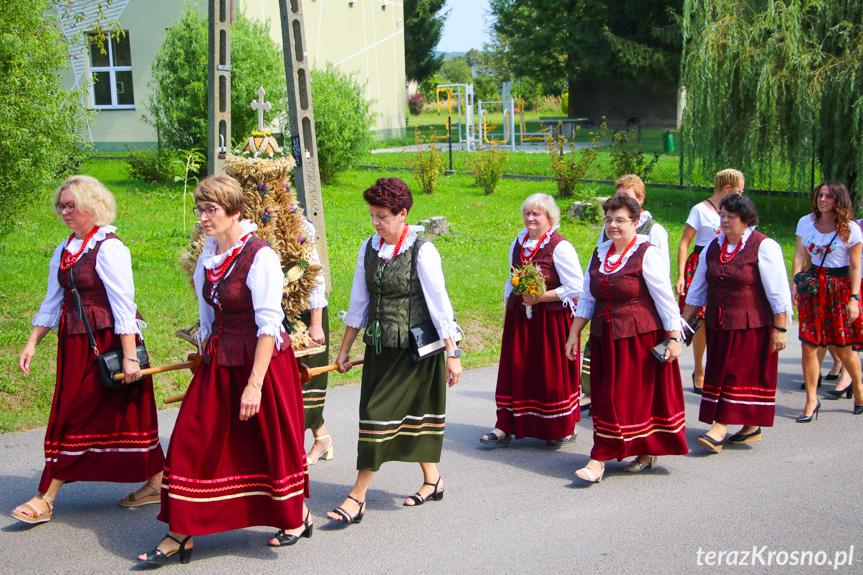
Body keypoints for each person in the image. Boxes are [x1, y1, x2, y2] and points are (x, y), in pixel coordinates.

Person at [138, 175, 310, 565]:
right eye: (200, 209)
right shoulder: (210, 254)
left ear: (234, 211)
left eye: (210, 209)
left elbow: (270, 323)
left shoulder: (259, 255)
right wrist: (202, 352)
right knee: (190, 439)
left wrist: (255, 386)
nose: (203, 217)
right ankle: (181, 532)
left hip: (261, 362)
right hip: (221, 357)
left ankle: (297, 515)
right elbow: (208, 315)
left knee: (269, 442)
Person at [12, 175, 164, 524]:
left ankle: (46, 496)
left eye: (71, 206)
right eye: (61, 206)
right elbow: (53, 300)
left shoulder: (110, 247)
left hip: (107, 342)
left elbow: (124, 305)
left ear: (92, 207)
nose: (65, 212)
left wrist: (129, 357)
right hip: (75, 343)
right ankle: (156, 481)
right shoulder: (66, 249)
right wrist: (32, 342)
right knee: (108, 414)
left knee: (80, 415)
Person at [329, 177, 461, 525]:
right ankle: (433, 480)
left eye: (382, 216)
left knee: (376, 417)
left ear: (403, 214)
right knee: (404, 418)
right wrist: (343, 350)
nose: (375, 222)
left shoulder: (423, 250)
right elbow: (358, 302)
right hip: (379, 349)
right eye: (372, 215)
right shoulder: (368, 248)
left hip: (414, 353)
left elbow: (439, 305)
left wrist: (453, 353)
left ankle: (357, 497)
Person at [565, 195, 688, 483]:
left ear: (636, 223)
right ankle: (635, 451)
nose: (613, 225)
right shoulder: (600, 253)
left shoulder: (648, 253)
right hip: (605, 337)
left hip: (639, 339)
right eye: (608, 220)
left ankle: (600, 459)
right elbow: (587, 297)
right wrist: (574, 332)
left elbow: (665, 299)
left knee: (628, 398)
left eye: (620, 220)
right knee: (606, 396)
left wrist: (674, 338)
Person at [682, 195, 793, 452]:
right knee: (720, 372)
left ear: (746, 221)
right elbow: (698, 289)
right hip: (719, 325)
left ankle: (720, 426)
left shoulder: (764, 246)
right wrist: (682, 323)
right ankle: (750, 427)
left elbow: (778, 293)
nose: (725, 221)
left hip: (752, 326)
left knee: (734, 374)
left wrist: (781, 329)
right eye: (722, 216)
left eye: (731, 217)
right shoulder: (713, 246)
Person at [480, 193, 583, 447]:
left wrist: (542, 297)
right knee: (517, 368)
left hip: (551, 321)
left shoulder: (560, 246)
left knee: (549, 372)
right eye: (527, 213)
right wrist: (509, 309)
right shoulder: (518, 241)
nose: (530, 218)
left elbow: (576, 286)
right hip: (521, 316)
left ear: (550, 217)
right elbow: (510, 278)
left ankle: (560, 427)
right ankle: (506, 424)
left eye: (536, 213)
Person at [582, 174, 670, 412]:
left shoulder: (653, 235)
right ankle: (593, 400)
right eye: (617, 196)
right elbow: (590, 288)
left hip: (639, 323)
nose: (613, 224)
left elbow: (662, 288)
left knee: (634, 389)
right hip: (607, 321)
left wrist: (672, 336)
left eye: (627, 198)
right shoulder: (606, 239)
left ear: (640, 202)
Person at [791, 180, 863, 421]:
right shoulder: (805, 222)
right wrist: (796, 283)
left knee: (844, 347)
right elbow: (800, 255)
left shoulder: (850, 228)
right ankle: (811, 400)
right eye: (820, 195)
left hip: (840, 289)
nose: (822, 200)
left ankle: (859, 391)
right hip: (813, 289)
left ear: (839, 201)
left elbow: (855, 267)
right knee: (808, 344)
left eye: (828, 197)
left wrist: (854, 298)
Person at [676, 169, 744, 394]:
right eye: (739, 191)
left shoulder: (738, 212)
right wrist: (680, 275)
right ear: (727, 189)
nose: (742, 195)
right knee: (702, 321)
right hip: (701, 266)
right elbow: (685, 242)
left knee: (722, 319)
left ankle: (718, 370)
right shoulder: (700, 210)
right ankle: (699, 370)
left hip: (726, 265)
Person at [298, 218, 333, 466]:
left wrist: (316, 323)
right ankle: (322, 437)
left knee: (303, 381)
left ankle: (311, 442)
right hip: (273, 314)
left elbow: (312, 274)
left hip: (304, 313)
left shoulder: (297, 225)